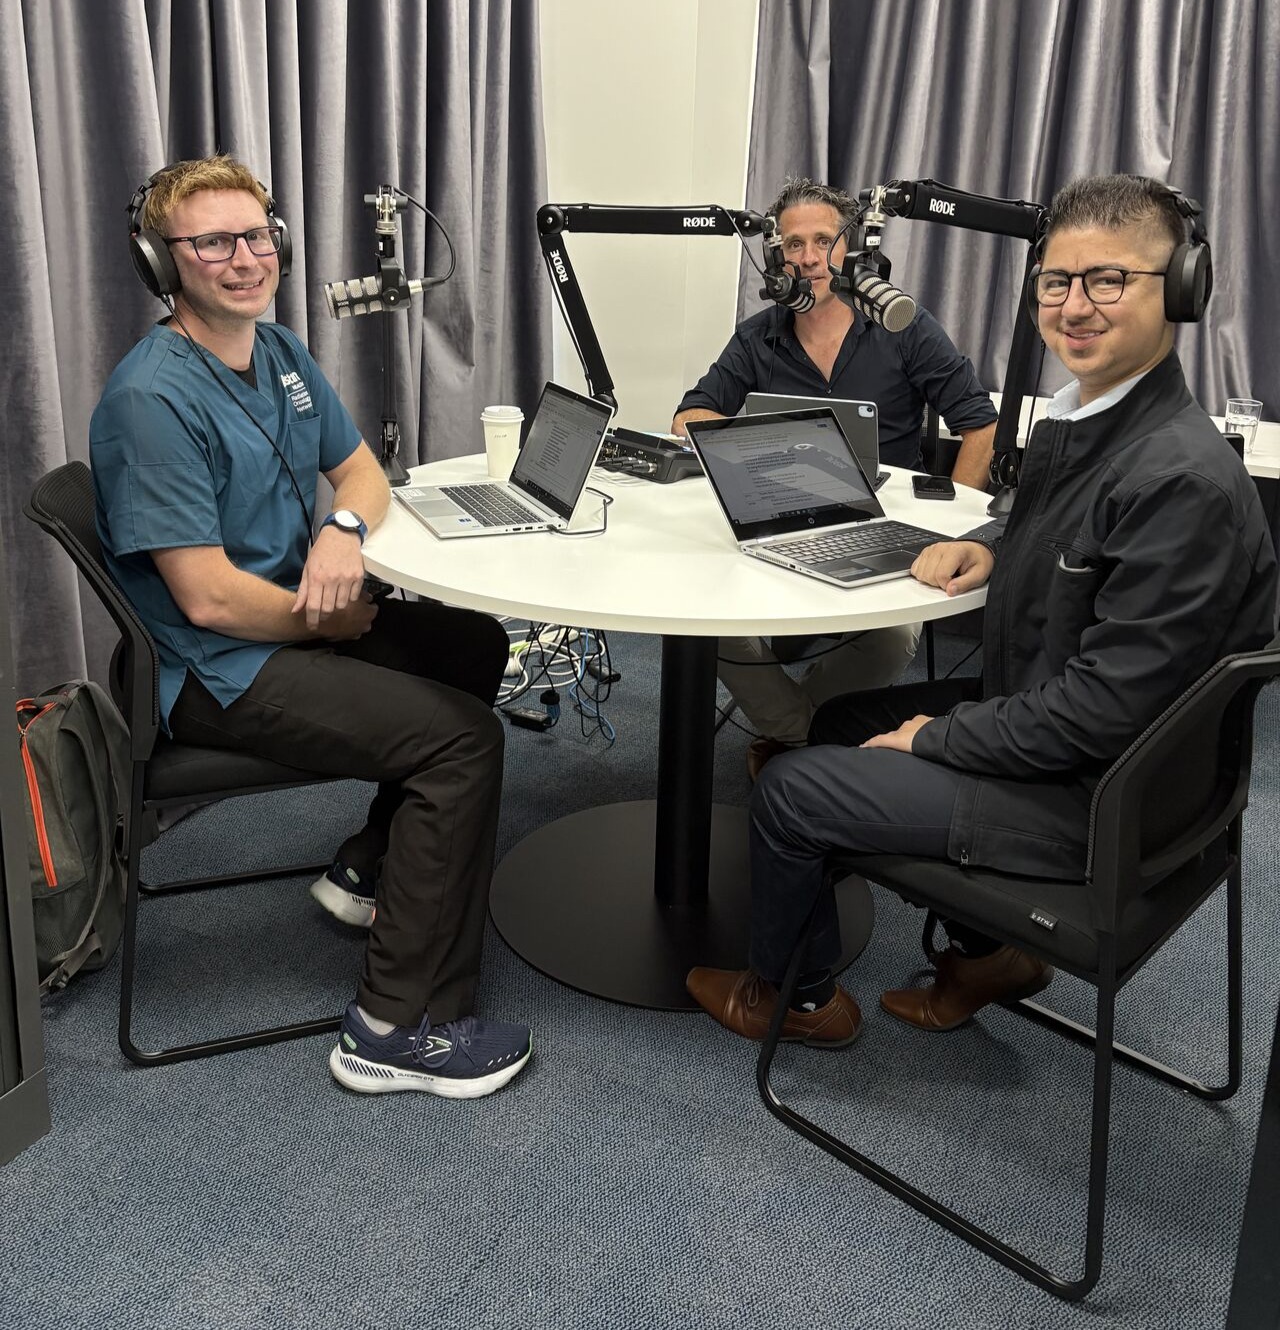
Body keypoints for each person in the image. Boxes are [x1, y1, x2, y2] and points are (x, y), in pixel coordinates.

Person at [685, 172, 1277, 1045]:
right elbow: (1053, 526)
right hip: (1075, 739)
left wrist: (933, 737)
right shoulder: (1099, 423)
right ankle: (987, 955)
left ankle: (792, 1000)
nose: (1076, 306)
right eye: (1057, 282)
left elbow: (1100, 717)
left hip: (1103, 799)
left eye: (1109, 279)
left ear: (1181, 289)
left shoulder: (1179, 480)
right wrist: (996, 540)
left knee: (790, 788)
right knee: (844, 718)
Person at [91, 154, 531, 1098]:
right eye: (212, 241)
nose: (244, 258)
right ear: (162, 263)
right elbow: (207, 598)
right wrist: (322, 625)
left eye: (258, 236)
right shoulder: (151, 400)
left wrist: (339, 529)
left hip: (288, 621)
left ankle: (374, 866)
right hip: (219, 670)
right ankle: (393, 1028)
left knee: (470, 644)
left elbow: (363, 474)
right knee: (461, 743)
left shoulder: (279, 352)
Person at [672, 178, 998, 778]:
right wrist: (744, 455)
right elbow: (690, 416)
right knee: (699, 619)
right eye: (793, 244)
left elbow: (979, 423)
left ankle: (791, 735)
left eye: (822, 240)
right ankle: (804, 735)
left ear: (848, 249)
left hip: (881, 523)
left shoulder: (904, 326)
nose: (807, 257)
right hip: (779, 520)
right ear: (777, 256)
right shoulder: (759, 334)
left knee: (894, 637)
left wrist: (959, 520)